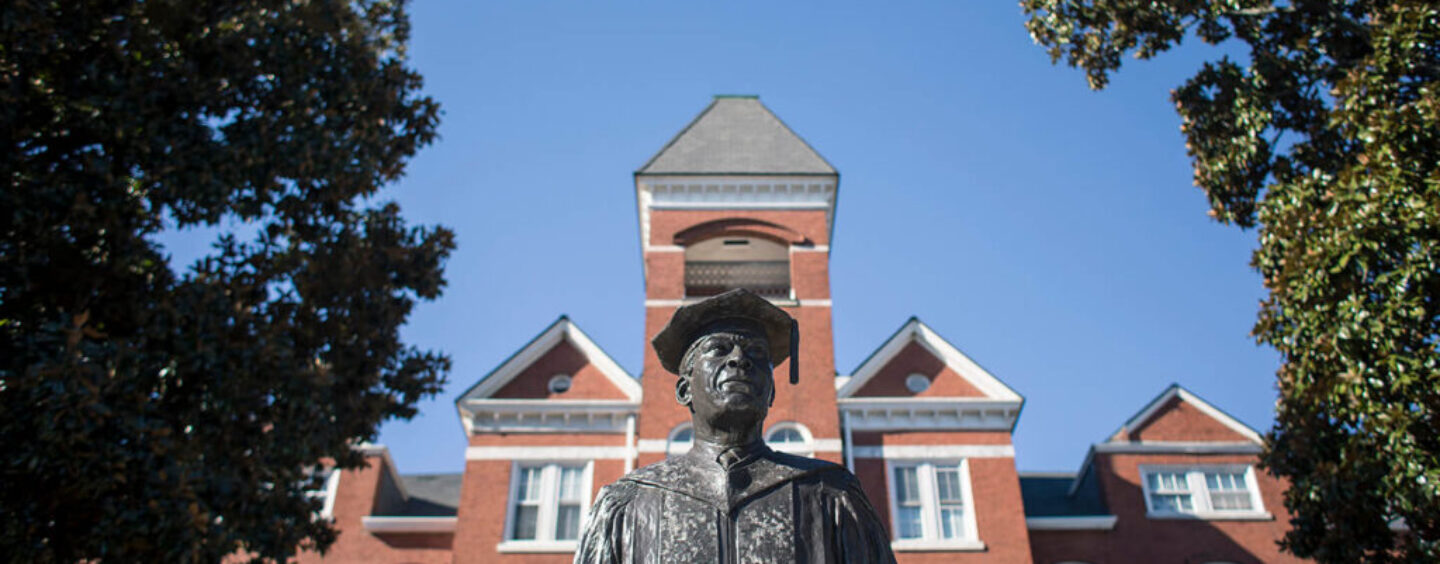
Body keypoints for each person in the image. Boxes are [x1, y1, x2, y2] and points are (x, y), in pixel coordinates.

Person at [574, 289, 896, 563]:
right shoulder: (629, 504)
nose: (739, 359)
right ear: (685, 390)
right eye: (718, 350)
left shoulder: (830, 493)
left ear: (771, 392)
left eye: (756, 353)